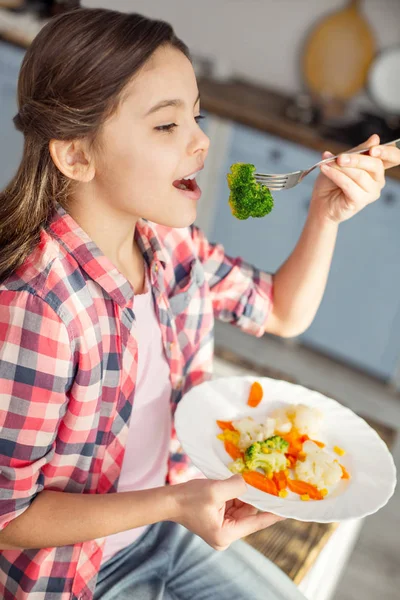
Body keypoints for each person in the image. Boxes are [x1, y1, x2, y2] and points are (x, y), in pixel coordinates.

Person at [0, 7, 399, 600]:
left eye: (198, 115)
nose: (201, 140)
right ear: (76, 155)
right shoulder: (39, 309)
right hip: (73, 576)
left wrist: (325, 213)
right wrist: (177, 502)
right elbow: (10, 520)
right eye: (167, 126)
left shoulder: (169, 243)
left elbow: (282, 311)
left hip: (163, 528)